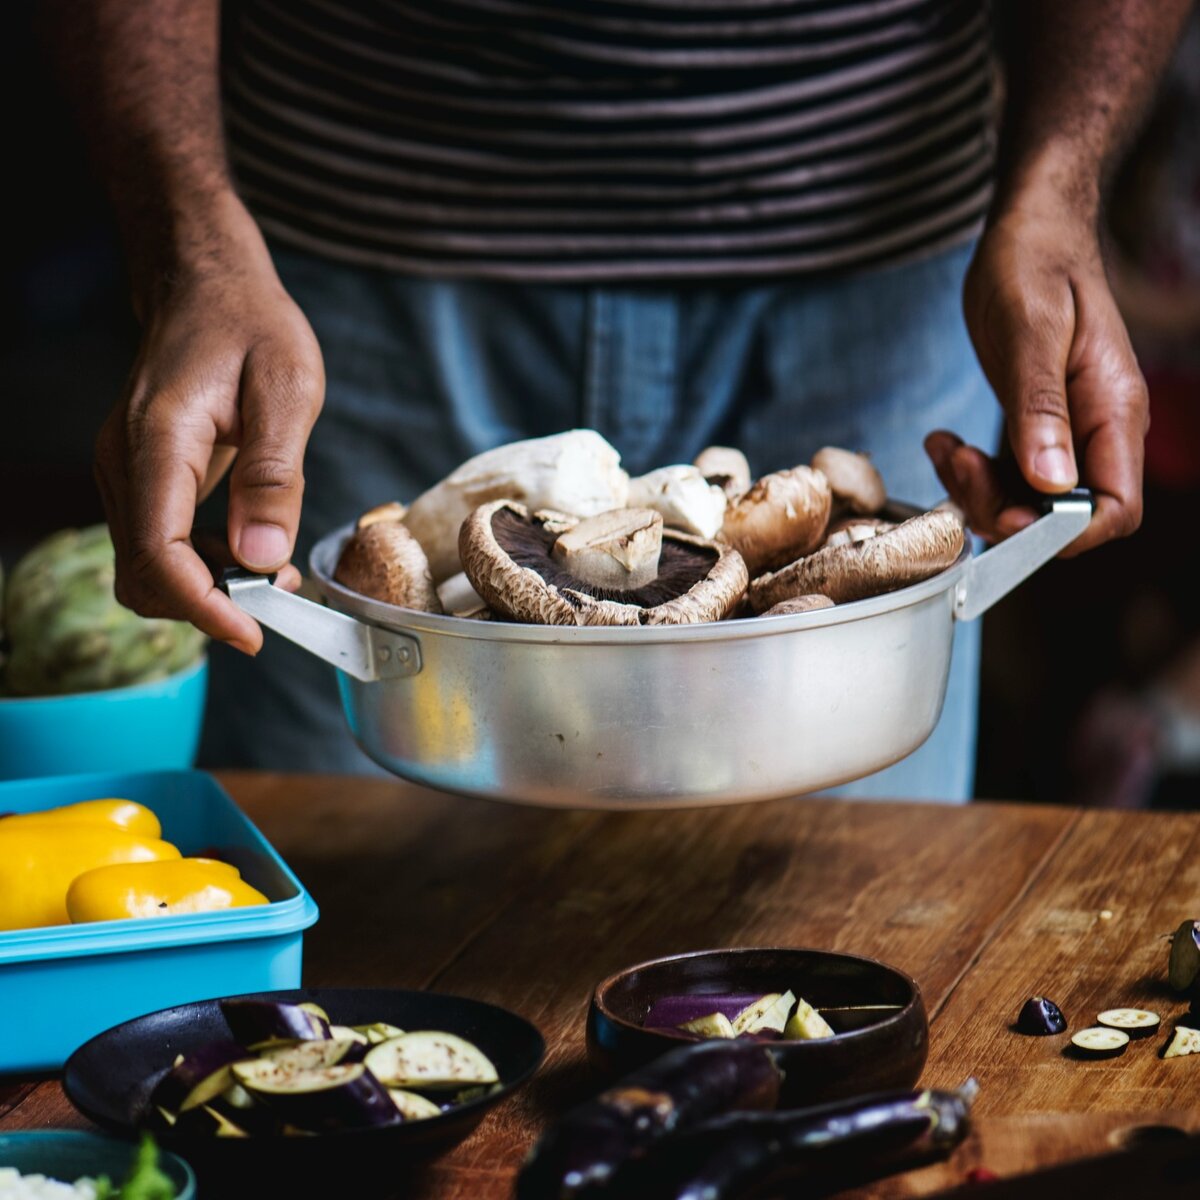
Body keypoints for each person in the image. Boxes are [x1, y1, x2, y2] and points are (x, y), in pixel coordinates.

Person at [44, 1, 1189, 800]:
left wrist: (1059, 182)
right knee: (369, 903)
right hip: (355, 265)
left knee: (842, 913)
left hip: (874, 264)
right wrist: (185, 240)